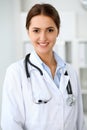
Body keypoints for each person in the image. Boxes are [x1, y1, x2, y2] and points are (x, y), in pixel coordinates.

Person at [1, 3, 87, 130]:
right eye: (36, 30)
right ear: (28, 32)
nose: (43, 38)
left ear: (58, 31)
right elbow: (11, 125)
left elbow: (80, 123)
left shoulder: (70, 72)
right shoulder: (15, 73)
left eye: (50, 30)